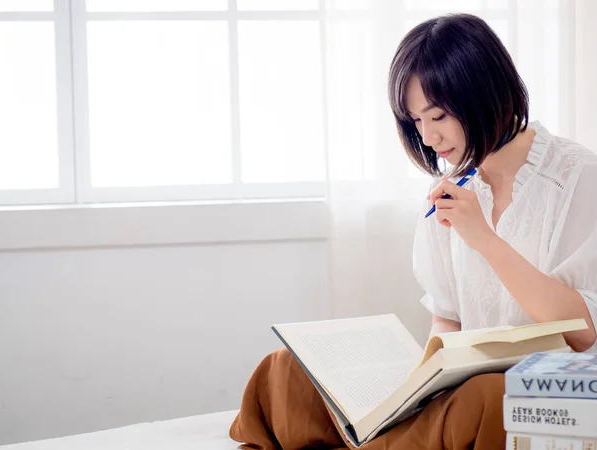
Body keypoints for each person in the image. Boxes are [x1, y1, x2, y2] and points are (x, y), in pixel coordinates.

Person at [229, 13, 597, 450]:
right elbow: (448, 317)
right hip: (460, 388)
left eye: (437, 115)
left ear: (486, 93)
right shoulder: (449, 193)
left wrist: (483, 238)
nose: (428, 137)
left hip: (550, 389)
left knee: (491, 398)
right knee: (290, 368)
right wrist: (420, 382)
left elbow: (582, 332)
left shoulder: (579, 178)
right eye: (415, 121)